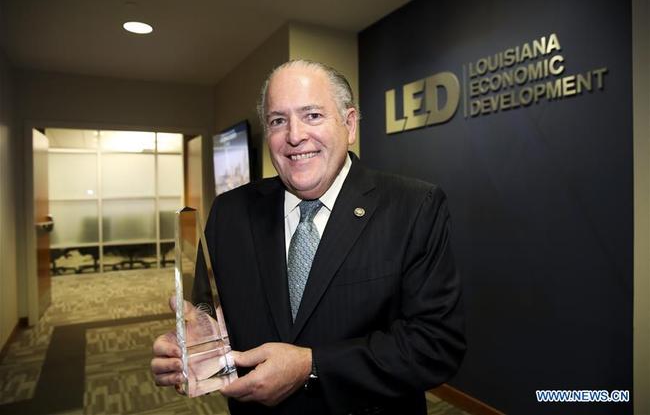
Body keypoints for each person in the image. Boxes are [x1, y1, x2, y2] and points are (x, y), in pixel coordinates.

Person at [151, 59, 466, 415]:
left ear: (349, 125)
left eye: (312, 115)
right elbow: (211, 323)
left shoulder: (413, 207)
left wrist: (311, 365)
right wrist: (195, 350)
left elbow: (436, 346)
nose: (295, 135)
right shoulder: (229, 213)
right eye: (277, 120)